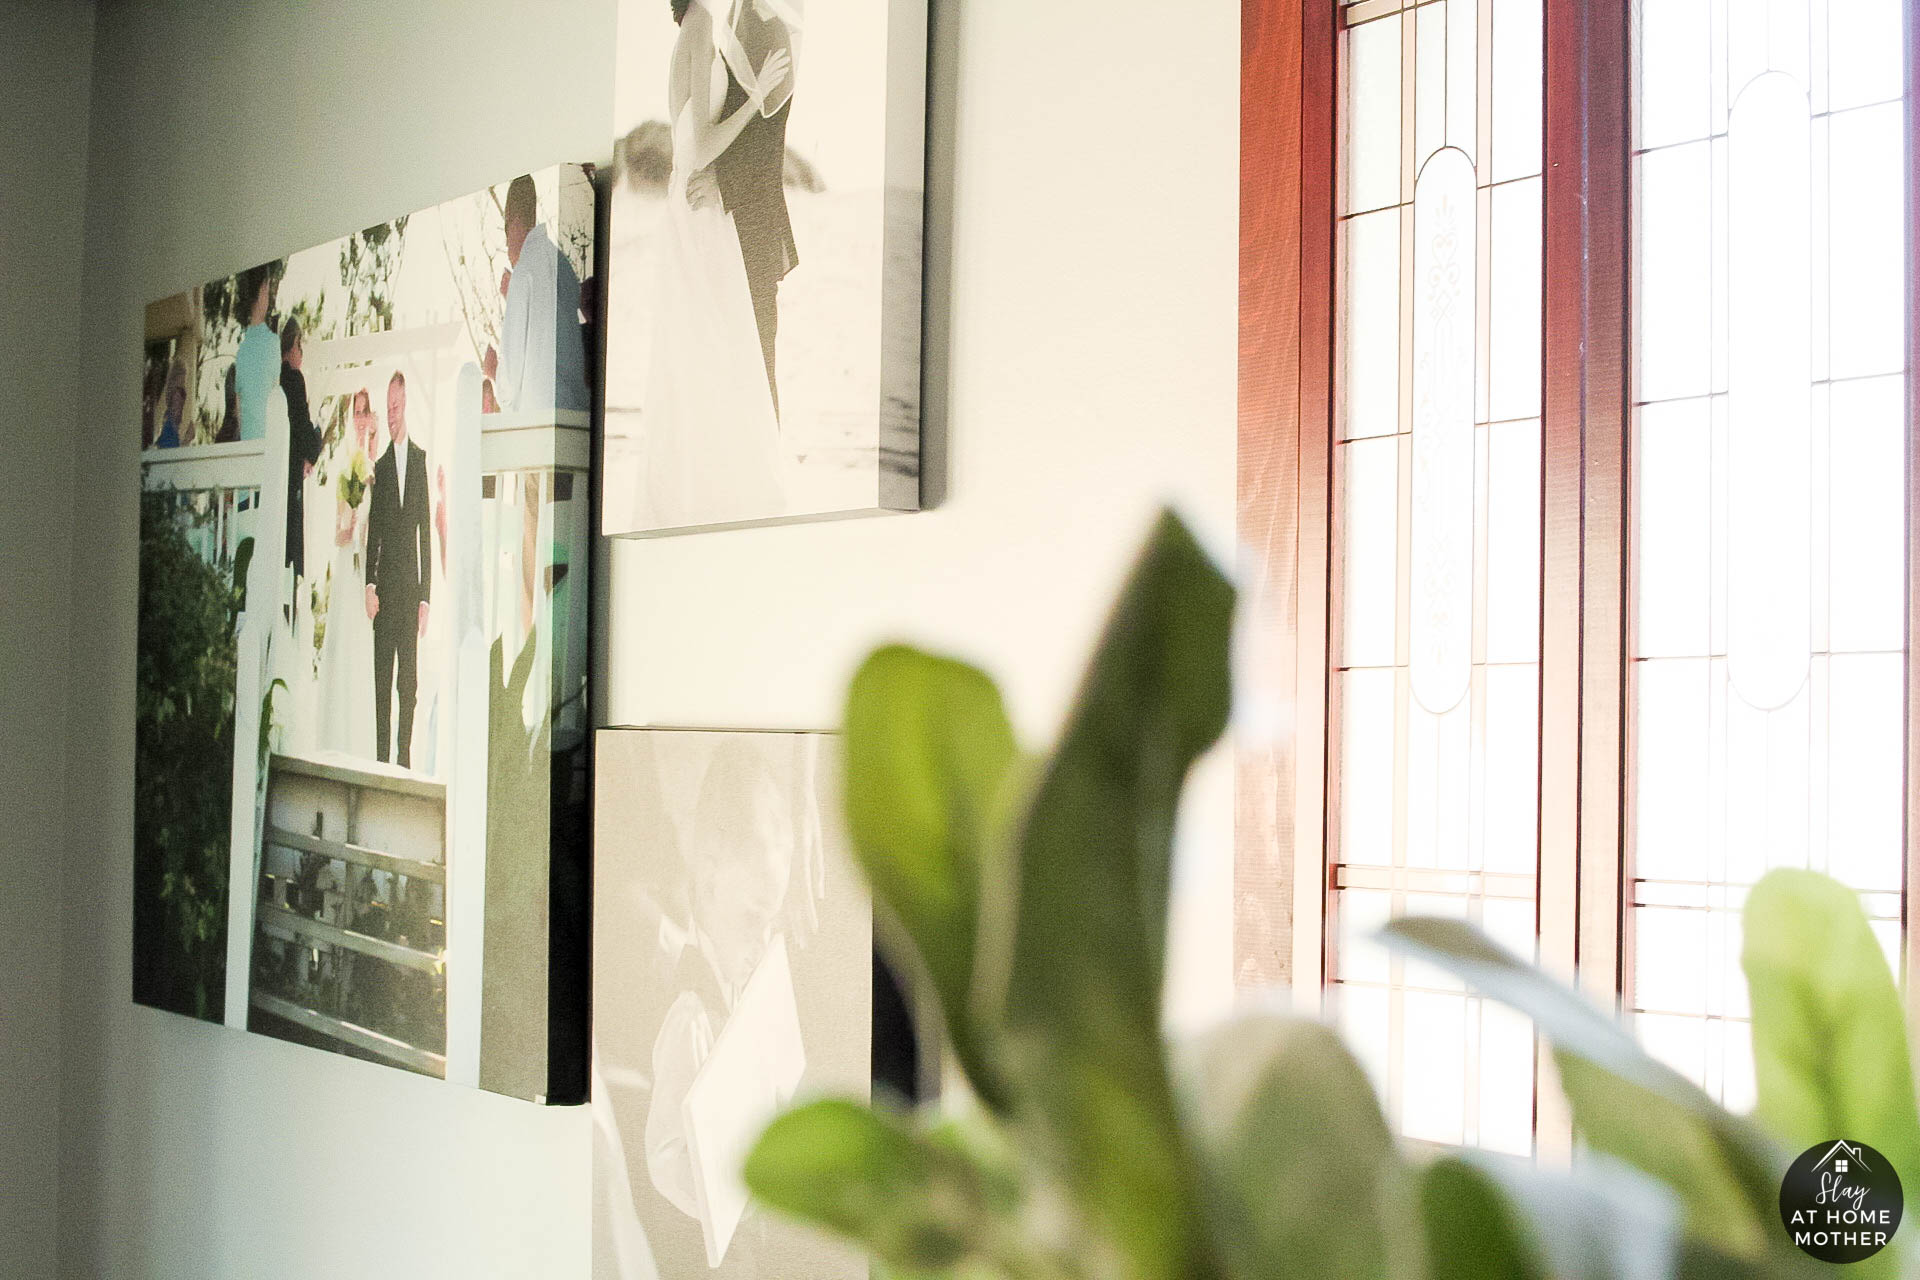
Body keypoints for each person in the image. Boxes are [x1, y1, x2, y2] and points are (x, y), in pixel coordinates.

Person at [636, 0, 792, 530]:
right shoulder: (702, 25)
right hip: (700, 220)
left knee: (693, 360)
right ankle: (719, 497)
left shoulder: (688, 33)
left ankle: (688, 497)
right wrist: (752, 99)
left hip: (685, 213)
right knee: (716, 355)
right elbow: (700, 147)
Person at [701, 0, 799, 415]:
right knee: (737, 351)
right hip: (736, 214)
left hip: (751, 216)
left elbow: (763, 143)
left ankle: (764, 461)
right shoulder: (738, 26)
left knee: (758, 354)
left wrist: (715, 178)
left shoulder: (773, 35)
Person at [365, 371, 432, 769]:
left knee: (409, 684)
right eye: (386, 407)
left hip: (411, 596)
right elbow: (374, 532)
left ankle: (403, 764)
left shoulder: (421, 461)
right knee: (381, 681)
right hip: (385, 592)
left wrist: (427, 597)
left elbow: (426, 535)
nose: (390, 414)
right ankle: (378, 762)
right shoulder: (381, 465)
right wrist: (369, 585)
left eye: (394, 406)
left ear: (405, 405)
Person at [483, 175, 590, 415]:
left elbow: (510, 385)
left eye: (505, 231)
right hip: (575, 411)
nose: (507, 244)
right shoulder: (560, 263)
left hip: (539, 418)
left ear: (514, 222)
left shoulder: (525, 272)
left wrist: (493, 372)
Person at [318, 388, 379, 759]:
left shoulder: (373, 472)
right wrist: (350, 524)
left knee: (361, 647)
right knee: (342, 644)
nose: (359, 418)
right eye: (355, 412)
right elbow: (337, 534)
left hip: (364, 573)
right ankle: (335, 738)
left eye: (364, 412)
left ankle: (358, 742)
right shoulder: (346, 470)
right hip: (346, 567)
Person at [279, 317, 323, 594]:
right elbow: (305, 432)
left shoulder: (275, 379)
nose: (301, 356)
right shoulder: (294, 379)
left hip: (277, 476)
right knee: (291, 555)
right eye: (301, 348)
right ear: (293, 345)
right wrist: (317, 435)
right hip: (291, 480)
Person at [232, 264, 279, 442]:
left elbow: (239, 411)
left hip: (248, 447)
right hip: (267, 445)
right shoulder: (272, 342)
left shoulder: (241, 351)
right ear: (262, 290)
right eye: (267, 290)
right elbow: (276, 399)